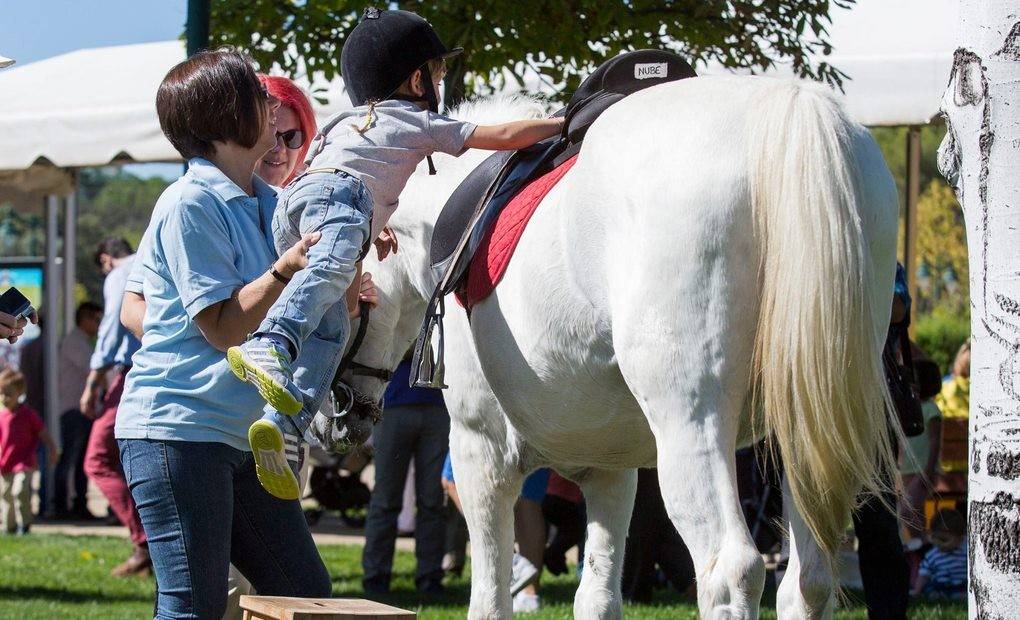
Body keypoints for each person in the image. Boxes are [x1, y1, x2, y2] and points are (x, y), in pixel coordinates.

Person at [226, 8, 564, 501]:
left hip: (301, 207)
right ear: (416, 78)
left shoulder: (343, 120)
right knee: (323, 285)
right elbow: (504, 138)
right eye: (438, 72)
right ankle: (271, 343)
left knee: (334, 332)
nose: (441, 81)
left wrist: (367, 230)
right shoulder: (417, 121)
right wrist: (565, 123)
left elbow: (320, 169)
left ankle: (283, 425)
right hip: (339, 204)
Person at [116, 49, 331, 618]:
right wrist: (287, 268)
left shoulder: (273, 203)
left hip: (237, 436)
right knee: (194, 607)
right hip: (176, 433)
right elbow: (223, 329)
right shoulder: (190, 202)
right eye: (258, 97)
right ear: (226, 114)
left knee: (305, 595)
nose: (271, 106)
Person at [80, 238, 148, 576]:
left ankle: (145, 543)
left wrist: (93, 383)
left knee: (97, 459)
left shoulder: (119, 274)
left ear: (106, 259)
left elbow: (110, 329)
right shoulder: (151, 256)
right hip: (159, 368)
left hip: (132, 372)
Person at [362, 357, 449, 595]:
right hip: (393, 404)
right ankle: (376, 576)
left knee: (433, 500)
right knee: (386, 498)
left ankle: (430, 576)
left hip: (438, 404)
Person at [853, 263, 911, 619]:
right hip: (819, 402)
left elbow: (900, 310)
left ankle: (888, 613)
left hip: (873, 406)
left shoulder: (885, 261)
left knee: (877, 521)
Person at [52, 302, 103, 519]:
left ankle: (78, 504)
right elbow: (94, 368)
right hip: (74, 409)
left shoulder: (83, 341)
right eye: (96, 319)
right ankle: (61, 505)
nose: (99, 325)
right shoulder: (75, 342)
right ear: (85, 319)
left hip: (82, 410)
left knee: (81, 460)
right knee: (71, 459)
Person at [0, 369, 57, 534]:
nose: (4, 398)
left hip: (25, 462)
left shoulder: (27, 414)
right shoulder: (2, 416)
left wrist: (52, 448)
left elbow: (43, 433)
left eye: (9, 394)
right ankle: (8, 526)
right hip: (6, 463)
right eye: (1, 393)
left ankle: (24, 525)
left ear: (20, 393)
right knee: (6, 495)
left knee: (20, 491)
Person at [912, 509, 967, 600]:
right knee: (931, 591)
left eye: (944, 540)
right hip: (940, 586)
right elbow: (924, 574)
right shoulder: (933, 555)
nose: (940, 544)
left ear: (960, 538)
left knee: (962, 594)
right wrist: (917, 591)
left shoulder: (965, 551)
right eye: (937, 539)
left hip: (960, 586)